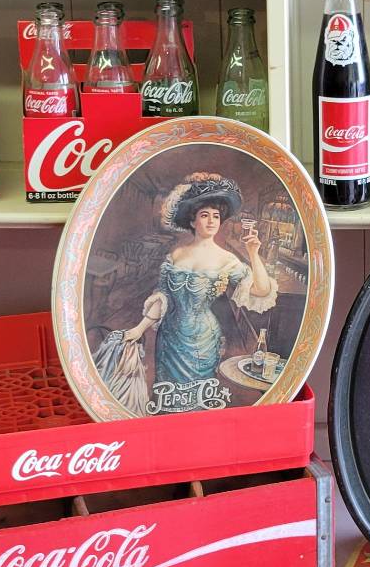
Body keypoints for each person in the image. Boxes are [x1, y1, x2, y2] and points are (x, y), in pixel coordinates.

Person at [95, 173, 276, 414]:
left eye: (216, 216)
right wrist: (139, 329)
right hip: (168, 339)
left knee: (198, 402)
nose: (211, 221)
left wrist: (253, 252)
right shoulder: (176, 255)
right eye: (205, 215)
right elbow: (162, 297)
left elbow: (261, 290)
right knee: (167, 398)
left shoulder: (227, 259)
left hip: (203, 340)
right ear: (192, 220)